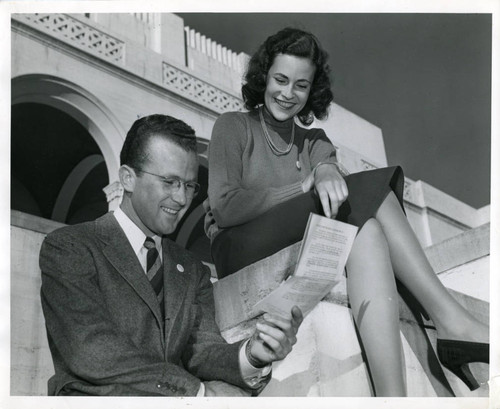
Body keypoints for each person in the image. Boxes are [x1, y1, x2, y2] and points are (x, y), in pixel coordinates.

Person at [205, 27, 489, 396]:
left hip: (295, 238)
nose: (288, 93)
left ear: (312, 92)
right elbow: (225, 208)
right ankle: (451, 321)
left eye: (301, 85)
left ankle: (391, 395)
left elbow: (333, 175)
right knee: (369, 188)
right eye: (280, 79)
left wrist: (326, 168)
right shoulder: (233, 126)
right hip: (238, 245)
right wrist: (302, 186)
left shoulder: (314, 141)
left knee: (366, 228)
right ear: (263, 78)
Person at [40, 114, 303, 396]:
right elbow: (90, 350)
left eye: (189, 185)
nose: (181, 199)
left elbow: (201, 351)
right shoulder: (70, 246)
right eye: (169, 182)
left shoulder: (191, 268)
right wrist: (196, 393)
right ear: (128, 178)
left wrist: (253, 354)